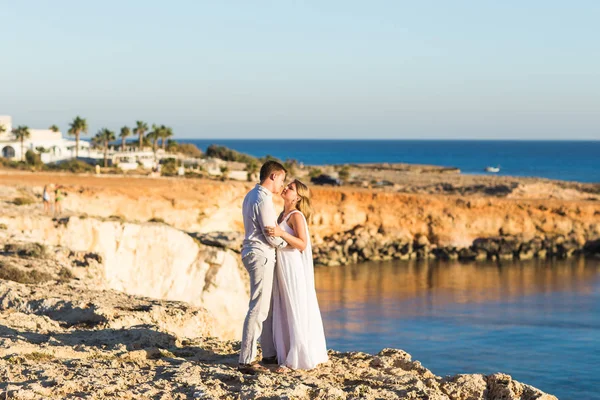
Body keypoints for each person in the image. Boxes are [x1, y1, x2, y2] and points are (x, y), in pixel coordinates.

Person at [265, 179, 328, 371]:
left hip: (292, 267)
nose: (286, 188)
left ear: (298, 197)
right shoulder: (282, 214)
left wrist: (281, 234)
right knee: (283, 307)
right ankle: (284, 352)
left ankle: (297, 357)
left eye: (290, 188)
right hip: (282, 266)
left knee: (295, 306)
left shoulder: (296, 215)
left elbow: (302, 244)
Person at [238, 160, 288, 374]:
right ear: (274, 176)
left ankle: (269, 353)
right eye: (282, 179)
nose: (282, 185)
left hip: (254, 252)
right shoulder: (263, 199)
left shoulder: (251, 195)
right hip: (260, 254)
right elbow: (271, 234)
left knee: (264, 307)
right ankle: (246, 361)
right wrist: (288, 244)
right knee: (258, 308)